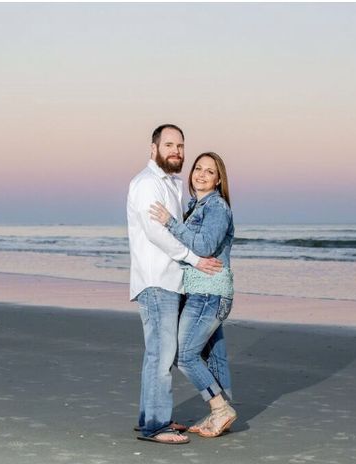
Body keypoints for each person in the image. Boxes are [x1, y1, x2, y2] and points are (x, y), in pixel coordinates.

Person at [127, 124, 222, 444]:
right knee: (162, 354)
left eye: (180, 146)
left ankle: (149, 417)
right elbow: (157, 233)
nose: (176, 151)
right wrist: (196, 260)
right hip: (156, 280)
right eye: (169, 145)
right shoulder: (146, 184)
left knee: (158, 353)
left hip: (171, 279)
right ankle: (156, 425)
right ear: (153, 148)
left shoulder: (174, 184)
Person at [149, 151, 237, 438]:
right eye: (198, 168)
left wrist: (170, 222)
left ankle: (221, 408)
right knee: (208, 355)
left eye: (209, 171)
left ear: (219, 178)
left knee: (185, 355)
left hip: (209, 295)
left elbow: (203, 245)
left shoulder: (217, 208)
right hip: (200, 293)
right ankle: (218, 414)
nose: (200, 174)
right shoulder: (195, 206)